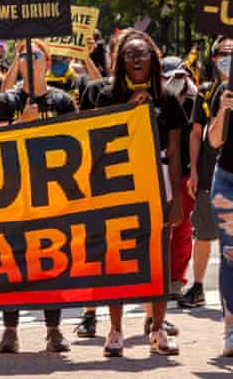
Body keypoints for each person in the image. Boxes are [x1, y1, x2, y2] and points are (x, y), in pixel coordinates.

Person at [83, 29, 184, 357]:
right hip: (119, 181)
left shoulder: (167, 96)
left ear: (153, 59)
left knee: (159, 257)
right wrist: (128, 109)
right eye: (130, 55)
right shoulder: (106, 94)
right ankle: (115, 331)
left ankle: (157, 330)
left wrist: (178, 199)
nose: (136, 60)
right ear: (120, 61)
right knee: (118, 257)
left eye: (142, 54)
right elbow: (99, 142)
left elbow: (174, 151)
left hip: (157, 180)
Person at [0, 39, 75, 355]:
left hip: (52, 194)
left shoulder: (63, 101)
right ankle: (10, 330)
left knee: (52, 261)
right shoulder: (5, 101)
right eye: (22, 55)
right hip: (13, 193)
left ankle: (53, 329)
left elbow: (76, 138)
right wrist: (20, 124)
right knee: (13, 262)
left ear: (47, 63)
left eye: (34, 55)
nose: (27, 59)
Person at [180, 36, 233, 309]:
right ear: (213, 59)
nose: (227, 58)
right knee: (204, 232)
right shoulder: (206, 92)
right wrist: (193, 169)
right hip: (210, 171)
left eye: (231, 53)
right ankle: (197, 285)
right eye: (223, 53)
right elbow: (197, 133)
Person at [160, 57, 198, 300]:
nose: (176, 81)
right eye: (170, 77)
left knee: (182, 229)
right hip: (161, 169)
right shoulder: (156, 100)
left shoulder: (195, 100)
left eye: (180, 76)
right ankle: (156, 279)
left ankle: (176, 279)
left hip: (184, 174)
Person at [207, 43, 233, 356]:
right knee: (229, 256)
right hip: (227, 181)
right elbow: (215, 140)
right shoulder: (225, 91)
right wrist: (225, 109)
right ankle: (230, 328)